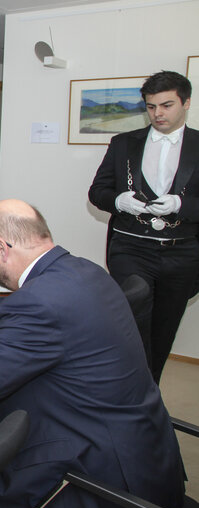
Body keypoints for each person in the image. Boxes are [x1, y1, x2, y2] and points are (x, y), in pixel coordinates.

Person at [0, 199, 184, 508]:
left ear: (2, 248)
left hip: (91, 480)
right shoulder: (87, 271)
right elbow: (58, 309)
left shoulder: (38, 303)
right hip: (145, 456)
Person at [88, 70, 199, 383]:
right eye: (151, 107)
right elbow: (97, 192)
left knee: (164, 329)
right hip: (129, 246)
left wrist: (182, 205)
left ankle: (149, 392)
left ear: (186, 103)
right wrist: (118, 200)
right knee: (132, 320)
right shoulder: (124, 143)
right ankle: (124, 389)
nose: (158, 114)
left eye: (166, 105)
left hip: (182, 252)